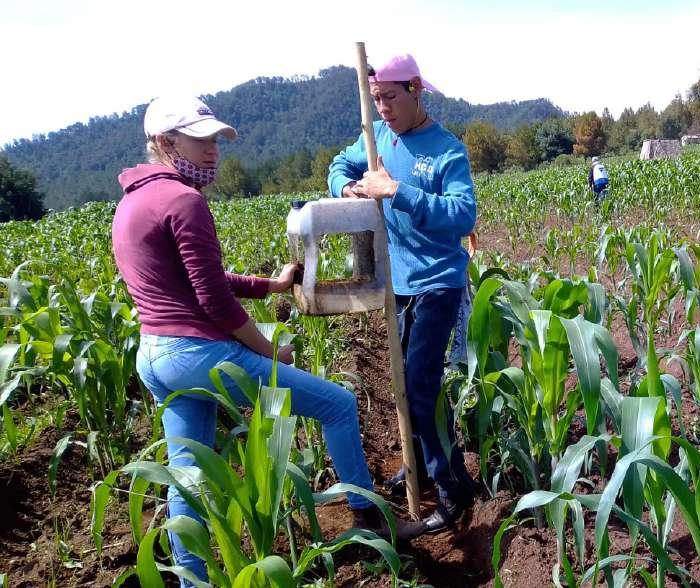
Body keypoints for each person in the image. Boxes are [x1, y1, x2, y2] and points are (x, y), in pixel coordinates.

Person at [113, 96, 421, 586]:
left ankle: (192, 581)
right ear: (166, 142)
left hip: (155, 355)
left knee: (188, 475)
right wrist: (269, 350)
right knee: (338, 404)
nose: (213, 150)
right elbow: (214, 301)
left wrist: (269, 286)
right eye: (200, 139)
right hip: (200, 355)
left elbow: (197, 277)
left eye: (216, 140)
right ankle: (369, 522)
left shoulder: (132, 202)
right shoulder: (184, 201)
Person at [328, 53, 477, 535]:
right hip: (398, 282)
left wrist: (397, 191)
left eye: (390, 98)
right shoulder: (377, 139)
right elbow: (339, 164)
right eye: (376, 99)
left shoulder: (446, 150)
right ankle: (420, 467)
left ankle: (452, 489)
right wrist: (348, 187)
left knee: (421, 386)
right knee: (404, 383)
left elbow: (463, 215)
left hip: (438, 281)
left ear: (416, 90)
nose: (383, 108)